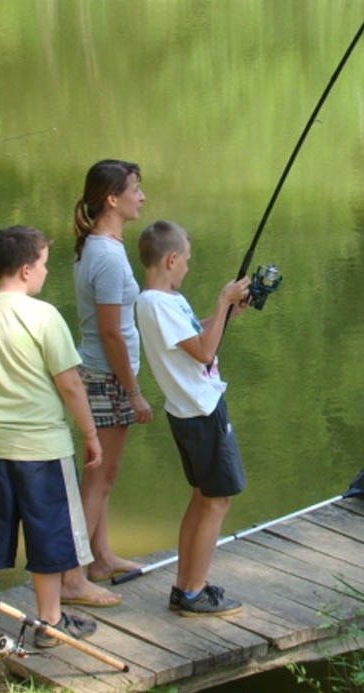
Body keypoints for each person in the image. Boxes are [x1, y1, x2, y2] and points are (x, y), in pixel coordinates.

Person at [0, 225, 104, 646]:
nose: (45, 272)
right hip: (42, 450)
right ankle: (50, 620)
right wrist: (90, 433)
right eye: (43, 265)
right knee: (49, 532)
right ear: (23, 269)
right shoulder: (43, 316)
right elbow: (70, 383)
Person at [134, 220, 251, 617]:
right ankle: (193, 592)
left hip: (193, 411)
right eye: (185, 260)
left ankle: (185, 586)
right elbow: (203, 353)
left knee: (203, 498)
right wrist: (222, 300)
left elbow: (196, 337)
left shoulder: (165, 301)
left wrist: (228, 314)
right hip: (201, 413)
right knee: (218, 501)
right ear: (170, 259)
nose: (187, 267)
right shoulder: (154, 303)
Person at [62, 159, 151, 605]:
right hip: (105, 378)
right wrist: (133, 391)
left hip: (99, 375)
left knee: (104, 474)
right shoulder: (108, 257)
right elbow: (111, 332)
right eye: (135, 189)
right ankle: (72, 577)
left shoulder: (97, 249)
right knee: (97, 479)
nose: (142, 197)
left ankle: (100, 557)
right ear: (112, 199)